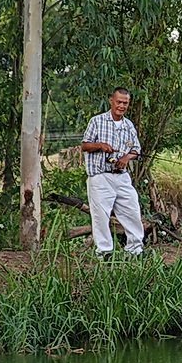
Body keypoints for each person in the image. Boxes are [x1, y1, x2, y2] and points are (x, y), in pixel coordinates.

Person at [81, 87, 145, 258]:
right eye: (119, 102)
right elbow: (85, 145)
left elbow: (136, 150)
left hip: (121, 176)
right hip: (100, 176)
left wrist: (125, 158)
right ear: (111, 101)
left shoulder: (128, 125)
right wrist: (100, 146)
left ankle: (135, 250)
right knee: (101, 216)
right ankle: (104, 252)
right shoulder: (97, 121)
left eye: (125, 103)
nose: (122, 106)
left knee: (132, 210)